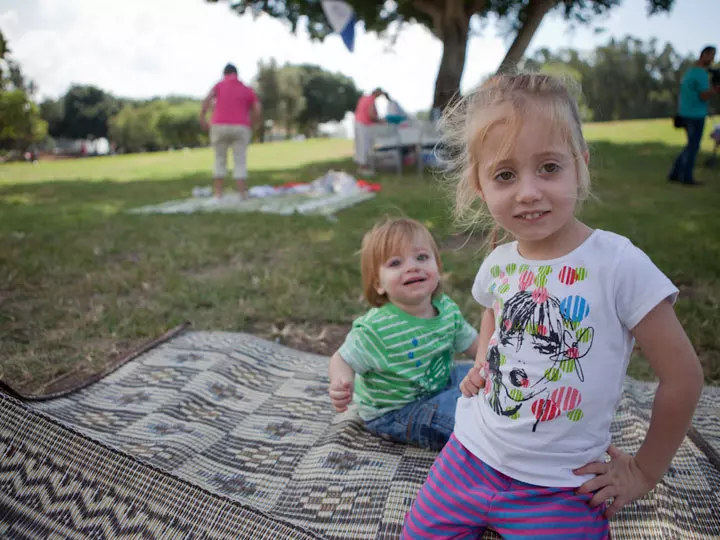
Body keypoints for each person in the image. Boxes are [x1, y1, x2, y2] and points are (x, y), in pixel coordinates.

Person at [402, 73, 704, 539]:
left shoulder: (619, 264)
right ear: (480, 187)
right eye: (505, 174)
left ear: (580, 166)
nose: (527, 191)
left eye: (549, 167)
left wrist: (644, 472)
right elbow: (492, 312)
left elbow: (683, 376)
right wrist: (484, 359)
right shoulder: (500, 261)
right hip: (468, 455)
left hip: (561, 484)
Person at [328, 217, 480, 451]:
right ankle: (486, 436)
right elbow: (342, 358)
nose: (412, 267)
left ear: (437, 268)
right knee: (463, 418)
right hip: (396, 410)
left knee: (476, 376)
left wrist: (490, 364)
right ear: (378, 283)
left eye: (421, 257)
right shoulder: (377, 328)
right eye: (396, 263)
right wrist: (342, 381)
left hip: (436, 383)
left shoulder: (446, 308)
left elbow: (472, 344)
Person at [200, 63, 262, 199]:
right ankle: (242, 193)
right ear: (236, 74)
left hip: (218, 125)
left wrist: (203, 118)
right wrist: (252, 123)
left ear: (224, 74)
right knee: (240, 160)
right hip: (241, 126)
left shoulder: (219, 86)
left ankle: (218, 194)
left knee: (219, 159)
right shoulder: (246, 89)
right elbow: (257, 109)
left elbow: (206, 100)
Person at [668, 45, 718, 186]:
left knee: (690, 145)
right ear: (705, 55)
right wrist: (715, 90)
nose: (713, 59)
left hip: (685, 113)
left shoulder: (689, 72)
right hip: (695, 115)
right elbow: (703, 95)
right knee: (693, 146)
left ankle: (674, 173)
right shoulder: (701, 74)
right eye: (712, 55)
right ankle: (686, 177)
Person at [354, 88, 385, 177]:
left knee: (360, 145)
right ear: (377, 93)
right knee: (365, 146)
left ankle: (361, 167)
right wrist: (380, 121)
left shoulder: (364, 98)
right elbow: (371, 115)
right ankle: (364, 167)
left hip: (358, 122)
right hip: (364, 124)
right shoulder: (371, 99)